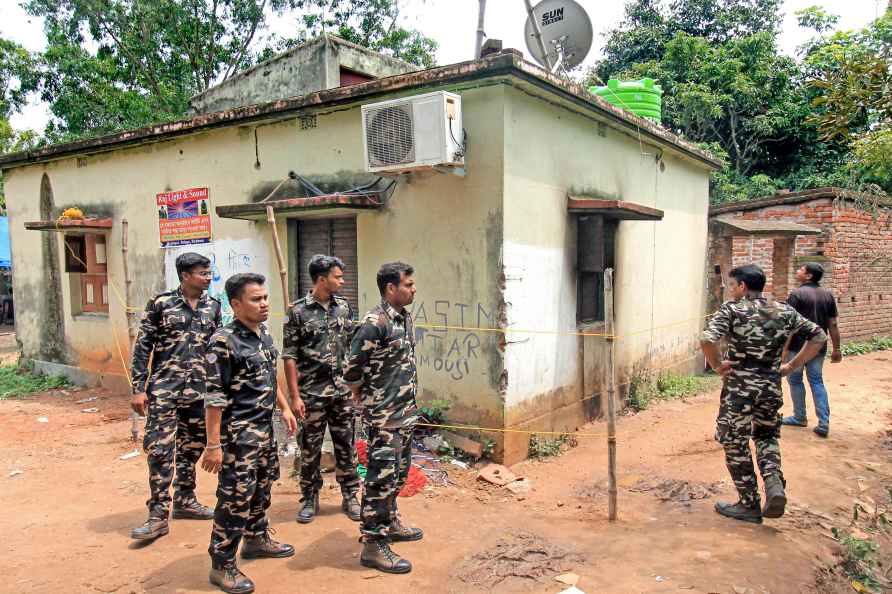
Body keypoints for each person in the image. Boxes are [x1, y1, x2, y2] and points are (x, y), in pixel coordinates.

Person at [701, 264, 826, 524]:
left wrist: (716, 365)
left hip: (739, 389)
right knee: (767, 436)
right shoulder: (784, 311)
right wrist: (791, 366)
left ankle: (749, 503)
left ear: (743, 287)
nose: (730, 290)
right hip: (770, 385)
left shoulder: (733, 310)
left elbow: (707, 339)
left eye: (732, 285)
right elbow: (818, 336)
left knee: (735, 441)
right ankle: (773, 484)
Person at [201, 273, 297, 594]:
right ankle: (222, 563)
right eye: (256, 299)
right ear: (236, 304)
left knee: (262, 488)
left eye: (266, 297)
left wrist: (283, 407)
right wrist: (213, 445)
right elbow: (214, 397)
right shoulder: (222, 342)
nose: (265, 303)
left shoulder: (262, 334)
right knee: (234, 498)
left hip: (264, 430)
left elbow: (270, 376)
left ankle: (256, 539)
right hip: (238, 435)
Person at [129, 252, 222, 541]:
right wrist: (138, 388)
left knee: (192, 448)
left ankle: (185, 499)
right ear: (184, 275)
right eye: (202, 273)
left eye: (209, 272)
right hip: (165, 391)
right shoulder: (161, 305)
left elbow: (218, 350)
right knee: (159, 450)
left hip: (200, 392)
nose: (208, 277)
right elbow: (143, 347)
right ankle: (157, 514)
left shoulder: (213, 307)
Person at [343, 262, 422, 574]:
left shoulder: (403, 317)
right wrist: (363, 396)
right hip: (384, 418)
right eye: (408, 284)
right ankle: (373, 545)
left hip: (404, 413)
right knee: (380, 480)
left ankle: (389, 523)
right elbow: (351, 369)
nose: (413, 289)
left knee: (398, 476)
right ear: (391, 288)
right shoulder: (375, 323)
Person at [282, 254, 361, 524]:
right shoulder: (297, 312)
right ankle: (309, 497)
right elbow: (289, 356)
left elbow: (353, 347)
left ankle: (351, 495)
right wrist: (294, 396)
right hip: (311, 394)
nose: (342, 281)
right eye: (337, 277)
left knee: (346, 446)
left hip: (341, 394)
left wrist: (355, 384)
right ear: (321, 279)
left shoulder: (344, 308)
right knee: (309, 448)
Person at [781, 262, 842, 438]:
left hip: (797, 347)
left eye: (801, 269)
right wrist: (837, 348)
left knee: (795, 380)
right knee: (816, 381)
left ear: (808, 276)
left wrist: (784, 348)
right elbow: (833, 323)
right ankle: (824, 422)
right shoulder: (827, 295)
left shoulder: (796, 294)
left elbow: (789, 325)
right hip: (818, 346)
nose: (798, 271)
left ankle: (800, 416)